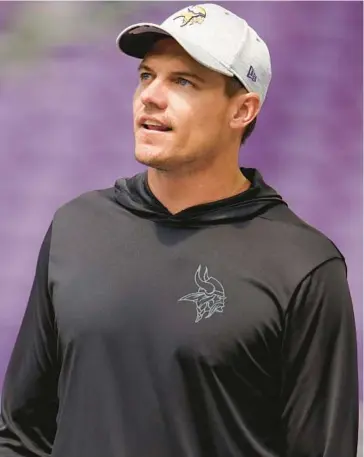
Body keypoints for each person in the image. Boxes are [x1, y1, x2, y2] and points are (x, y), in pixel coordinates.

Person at [0, 3, 359, 457]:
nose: (151, 95)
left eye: (182, 81)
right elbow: (21, 433)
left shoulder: (304, 267)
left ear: (242, 110)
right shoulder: (75, 228)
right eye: (147, 75)